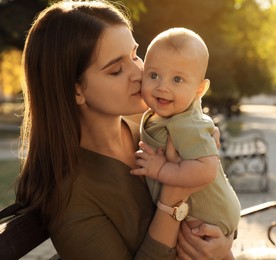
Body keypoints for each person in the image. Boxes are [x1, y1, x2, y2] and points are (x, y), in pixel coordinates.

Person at [15, 1, 234, 259]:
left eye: (135, 55)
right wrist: (172, 200)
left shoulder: (150, 124)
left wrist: (224, 241)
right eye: (117, 70)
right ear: (76, 90)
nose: (139, 73)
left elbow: (213, 199)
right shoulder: (69, 196)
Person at [131, 28, 241, 237]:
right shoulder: (163, 114)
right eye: (154, 75)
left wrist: (161, 169)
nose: (162, 87)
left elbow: (207, 170)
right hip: (201, 213)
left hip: (208, 216)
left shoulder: (186, 123)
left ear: (199, 90)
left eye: (177, 80)